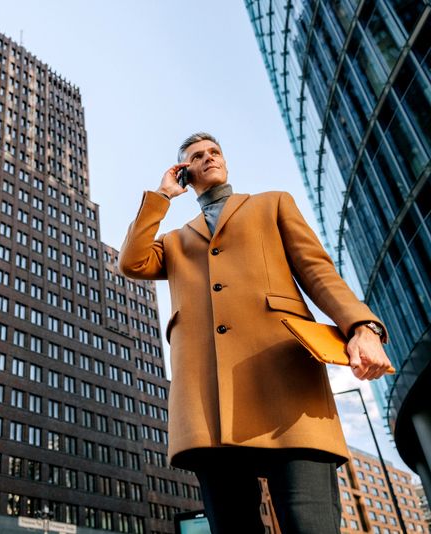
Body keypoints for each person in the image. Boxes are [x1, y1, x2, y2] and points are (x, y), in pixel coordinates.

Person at [119, 132, 393, 534]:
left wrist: (362, 327)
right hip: (206, 401)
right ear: (184, 172)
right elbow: (132, 261)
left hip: (283, 381)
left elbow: (318, 272)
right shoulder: (175, 242)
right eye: (197, 156)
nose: (209, 158)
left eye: (215, 152)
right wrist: (162, 196)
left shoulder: (272, 204)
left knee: (309, 523)